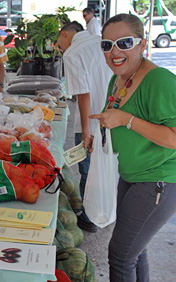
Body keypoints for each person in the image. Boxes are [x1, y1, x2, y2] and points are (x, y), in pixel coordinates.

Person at [89, 14, 176, 281]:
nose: (115, 51)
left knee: (121, 254)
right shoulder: (118, 78)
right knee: (135, 251)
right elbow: (113, 118)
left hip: (157, 180)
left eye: (124, 42)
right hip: (131, 176)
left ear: (142, 45)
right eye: (107, 45)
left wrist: (127, 120)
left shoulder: (159, 80)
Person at [57, 21, 113, 233]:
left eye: (58, 42)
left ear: (64, 34)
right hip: (113, 114)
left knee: (88, 168)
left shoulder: (72, 53)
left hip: (91, 119)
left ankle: (89, 218)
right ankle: (106, 210)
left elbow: (83, 94)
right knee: (108, 165)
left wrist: (86, 131)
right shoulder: (102, 42)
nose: (59, 47)